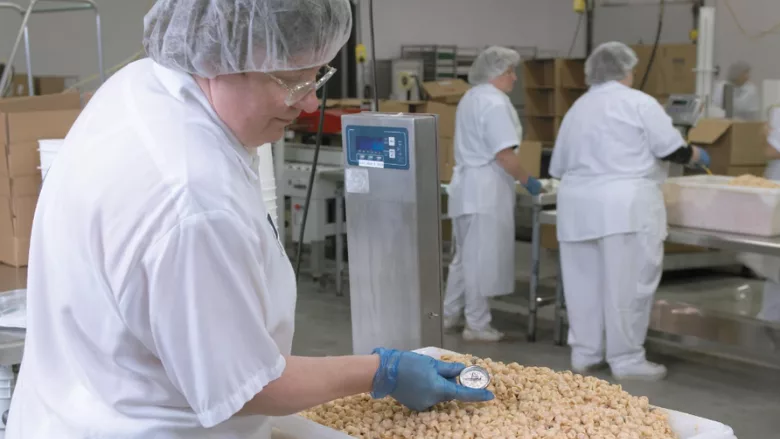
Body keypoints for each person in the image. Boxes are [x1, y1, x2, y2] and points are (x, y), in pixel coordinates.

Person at [6, 1, 493, 437]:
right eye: (292, 80)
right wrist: (382, 371)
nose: (310, 102)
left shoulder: (144, 84)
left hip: (73, 406)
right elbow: (248, 386)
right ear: (220, 60)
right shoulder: (191, 201)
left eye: (317, 75)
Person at [549, 42, 710, 381]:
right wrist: (696, 155)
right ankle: (626, 359)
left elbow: (558, 167)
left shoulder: (578, 107)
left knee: (583, 286)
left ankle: (586, 353)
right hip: (624, 207)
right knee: (628, 286)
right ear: (626, 70)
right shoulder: (639, 103)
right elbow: (673, 150)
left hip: (577, 207)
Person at [443, 46, 543, 343]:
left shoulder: (470, 97)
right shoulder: (495, 102)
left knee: (463, 258)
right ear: (496, 73)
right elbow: (504, 155)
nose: (514, 78)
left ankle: (448, 314)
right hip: (485, 190)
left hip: (465, 188)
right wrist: (528, 181)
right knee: (479, 260)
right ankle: (477, 324)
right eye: (510, 71)